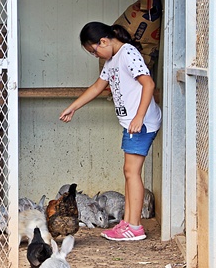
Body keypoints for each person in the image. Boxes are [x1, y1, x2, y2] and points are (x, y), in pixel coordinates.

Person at [59, 21, 161, 241]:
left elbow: (149, 84)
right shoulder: (112, 59)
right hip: (131, 123)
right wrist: (73, 107)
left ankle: (134, 227)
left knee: (131, 172)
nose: (96, 55)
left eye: (94, 51)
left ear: (103, 41)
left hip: (141, 123)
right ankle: (128, 222)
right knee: (129, 172)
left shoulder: (127, 53)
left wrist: (139, 116)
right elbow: (98, 86)